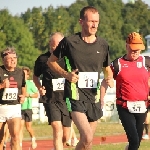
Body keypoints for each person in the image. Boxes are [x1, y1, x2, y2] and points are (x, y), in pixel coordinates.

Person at [47, 6, 114, 150]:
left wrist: (110, 78)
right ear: (81, 21)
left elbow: (107, 69)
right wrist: (66, 74)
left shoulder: (103, 44)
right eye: (91, 21)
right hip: (74, 96)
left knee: (87, 144)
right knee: (87, 137)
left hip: (93, 98)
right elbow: (50, 62)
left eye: (97, 21)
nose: (95, 25)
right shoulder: (69, 42)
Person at [101, 32, 150, 150]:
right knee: (133, 140)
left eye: (138, 49)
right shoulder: (118, 64)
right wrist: (101, 98)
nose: (135, 52)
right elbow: (105, 80)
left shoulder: (146, 61)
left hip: (142, 105)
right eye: (133, 49)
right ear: (126, 46)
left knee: (137, 143)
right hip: (124, 106)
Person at [33, 32, 71, 150]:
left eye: (60, 45)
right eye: (54, 45)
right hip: (50, 99)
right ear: (50, 44)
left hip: (66, 99)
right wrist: (39, 87)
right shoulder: (42, 59)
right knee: (56, 127)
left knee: (66, 136)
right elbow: (35, 77)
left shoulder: (68, 59)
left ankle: (58, 147)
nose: (57, 48)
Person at [0, 47, 26, 150]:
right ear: (3, 60)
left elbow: (23, 86)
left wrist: (23, 95)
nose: (13, 60)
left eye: (14, 58)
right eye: (10, 58)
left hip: (14, 107)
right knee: (1, 139)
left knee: (15, 136)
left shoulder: (20, 72)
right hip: (1, 107)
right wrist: (2, 86)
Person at [20, 66, 38, 149]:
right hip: (19, 108)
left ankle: (33, 139)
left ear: (28, 75)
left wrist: (28, 95)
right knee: (20, 127)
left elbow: (37, 94)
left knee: (28, 127)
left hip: (28, 107)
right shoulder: (18, 83)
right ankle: (19, 144)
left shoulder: (30, 84)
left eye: (25, 74)